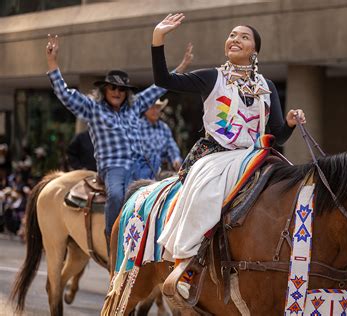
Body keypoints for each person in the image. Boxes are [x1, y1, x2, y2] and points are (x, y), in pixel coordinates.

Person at [151, 13, 306, 297]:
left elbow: (278, 135)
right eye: (232, 35)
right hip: (217, 155)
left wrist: (291, 124)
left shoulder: (267, 87)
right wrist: (158, 37)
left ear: (254, 51)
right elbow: (163, 79)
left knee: (296, 188)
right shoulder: (212, 77)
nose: (235, 39)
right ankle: (186, 264)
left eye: (244, 37)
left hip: (257, 154)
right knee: (206, 193)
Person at [45, 34, 193, 242]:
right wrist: (52, 63)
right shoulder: (92, 108)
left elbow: (159, 86)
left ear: (126, 93)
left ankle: (157, 239)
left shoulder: (136, 105)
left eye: (121, 89)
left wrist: (183, 66)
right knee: (116, 195)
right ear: (104, 90)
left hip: (142, 164)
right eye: (112, 88)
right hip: (113, 167)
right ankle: (113, 238)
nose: (117, 92)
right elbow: (64, 93)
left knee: (167, 191)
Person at [136, 98, 182, 180]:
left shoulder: (164, 127)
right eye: (152, 108)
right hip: (144, 171)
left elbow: (171, 146)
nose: (155, 110)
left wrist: (176, 158)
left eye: (157, 107)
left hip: (163, 170)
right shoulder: (137, 127)